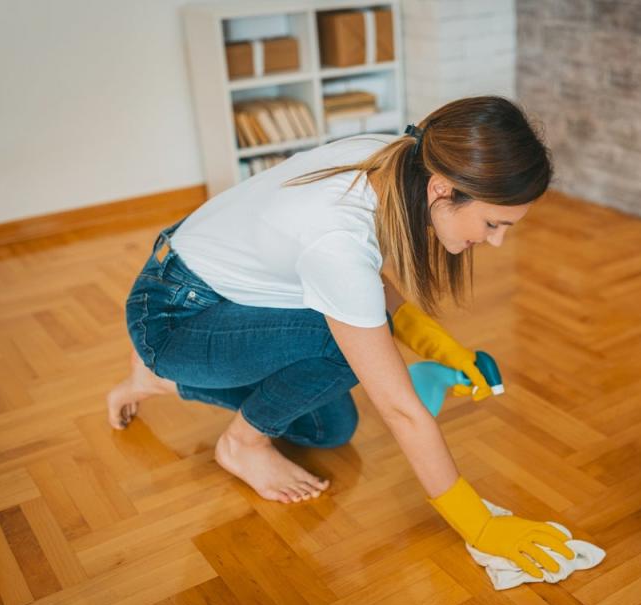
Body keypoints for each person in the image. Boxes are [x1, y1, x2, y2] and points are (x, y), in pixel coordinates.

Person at [105, 96, 573, 578]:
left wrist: (437, 346)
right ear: (443, 188)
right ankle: (238, 443)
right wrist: (478, 525)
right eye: (494, 224)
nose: (495, 241)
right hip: (174, 313)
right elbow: (399, 410)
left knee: (328, 431)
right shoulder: (339, 238)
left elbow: (364, 282)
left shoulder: (407, 156)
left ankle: (162, 380)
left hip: (223, 287)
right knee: (343, 352)